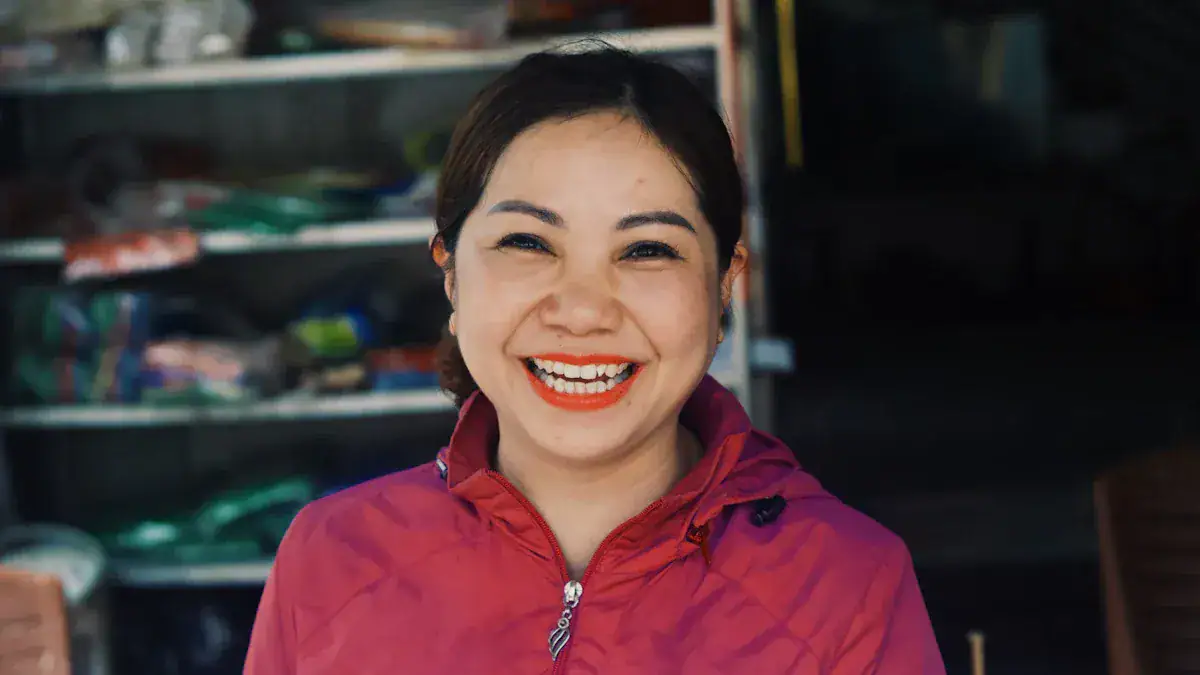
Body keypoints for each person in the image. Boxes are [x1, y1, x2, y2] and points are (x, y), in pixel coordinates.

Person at [244, 45, 945, 674]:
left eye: (646, 250)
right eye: (528, 242)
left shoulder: (846, 584)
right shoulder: (331, 560)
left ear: (723, 284)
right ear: (452, 274)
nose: (582, 310)